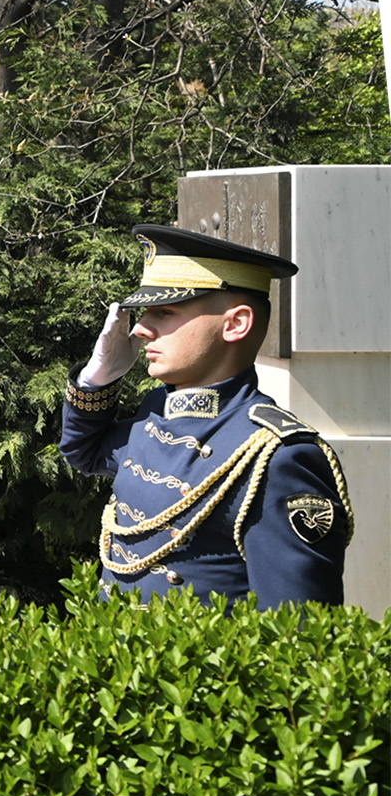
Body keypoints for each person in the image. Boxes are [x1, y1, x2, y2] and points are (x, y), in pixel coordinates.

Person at [61, 225, 350, 606]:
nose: (143, 329)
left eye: (164, 312)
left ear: (236, 324)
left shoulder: (276, 456)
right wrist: (97, 379)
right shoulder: (157, 412)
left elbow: (295, 627)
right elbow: (84, 451)